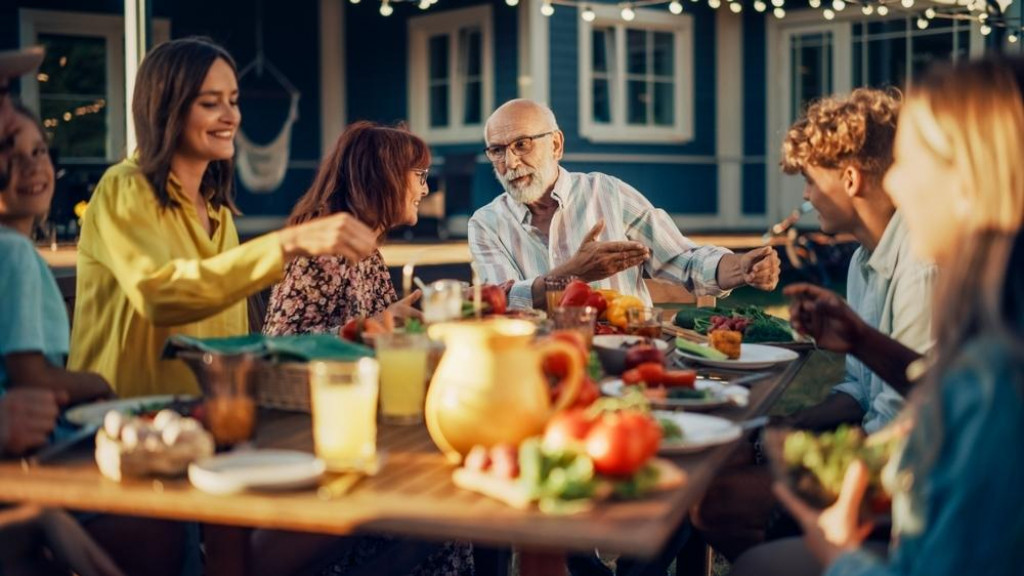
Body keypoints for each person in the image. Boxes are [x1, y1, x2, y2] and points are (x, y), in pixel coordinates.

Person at [731, 56, 1024, 576]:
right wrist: (863, 342)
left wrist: (838, 553)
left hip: (887, 500)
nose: (898, 185)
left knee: (740, 532)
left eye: (910, 163)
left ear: (967, 183)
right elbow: (926, 395)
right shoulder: (990, 332)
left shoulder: (998, 375)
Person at [690, 89, 936, 559]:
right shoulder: (864, 259)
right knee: (726, 459)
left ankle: (814, 553)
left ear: (849, 178)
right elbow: (860, 394)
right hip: (876, 455)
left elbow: (903, 422)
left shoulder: (921, 264)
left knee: (718, 503)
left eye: (809, 180)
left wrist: (795, 458)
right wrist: (775, 429)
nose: (805, 196)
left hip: (910, 483)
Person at [68, 38, 379, 398]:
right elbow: (158, 294)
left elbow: (228, 339)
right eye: (210, 103)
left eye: (233, 100)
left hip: (208, 416)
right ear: (167, 109)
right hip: (124, 420)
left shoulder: (218, 213)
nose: (231, 116)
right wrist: (288, 243)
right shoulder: (124, 187)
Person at [468, 99, 780, 310]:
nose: (510, 162)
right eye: (497, 150)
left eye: (522, 144)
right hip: (540, 362)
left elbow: (685, 261)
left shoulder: (608, 193)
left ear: (556, 144)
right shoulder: (485, 224)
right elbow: (501, 301)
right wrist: (571, 274)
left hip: (629, 351)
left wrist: (740, 268)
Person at [262, 121, 425, 336]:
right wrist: (366, 327)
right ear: (387, 178)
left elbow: (385, 323)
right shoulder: (326, 251)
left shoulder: (365, 250)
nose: (425, 189)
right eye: (420, 175)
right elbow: (280, 341)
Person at [0, 103, 113, 404]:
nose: (33, 166)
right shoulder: (14, 252)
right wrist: (100, 384)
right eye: (12, 158)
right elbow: (30, 377)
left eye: (38, 151)